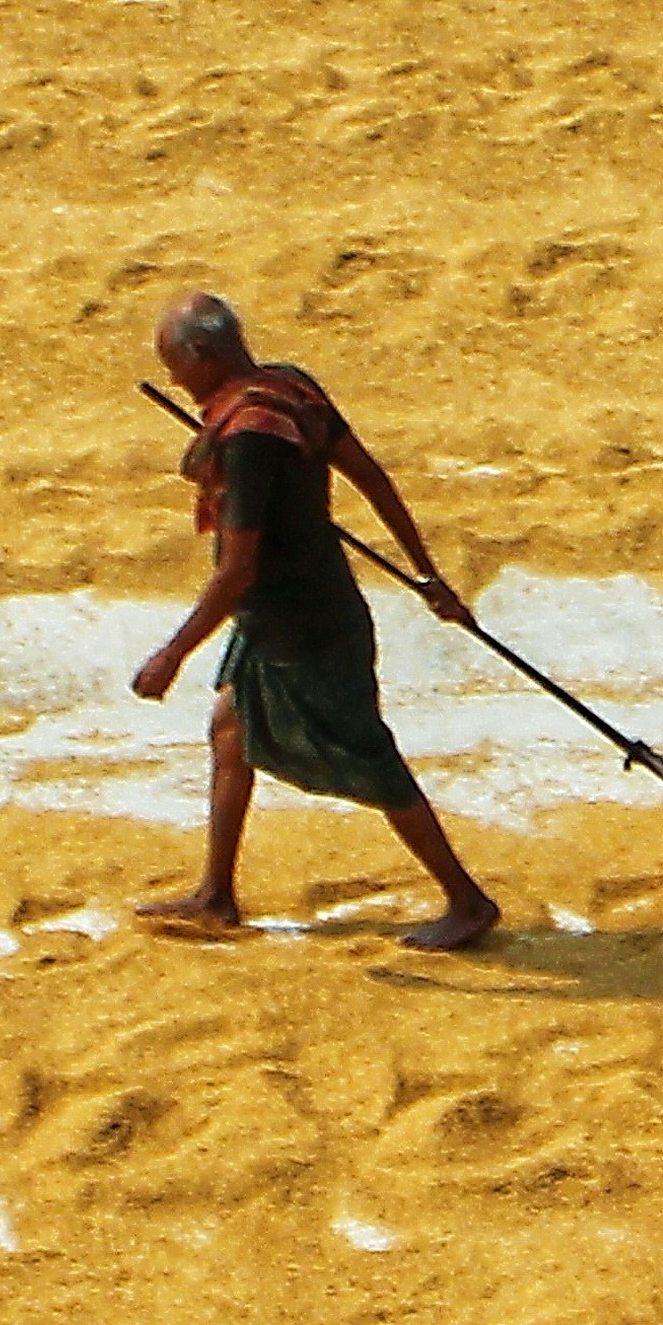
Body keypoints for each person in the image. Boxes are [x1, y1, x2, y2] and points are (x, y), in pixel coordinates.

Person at [126, 293, 505, 951]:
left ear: (204, 355)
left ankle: (467, 901)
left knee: (371, 758)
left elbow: (237, 568)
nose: (178, 384)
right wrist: (425, 575)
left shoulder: (247, 437)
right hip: (287, 614)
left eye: (176, 366)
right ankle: (216, 894)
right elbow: (370, 477)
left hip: (304, 626)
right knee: (228, 727)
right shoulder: (290, 388)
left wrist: (172, 654)